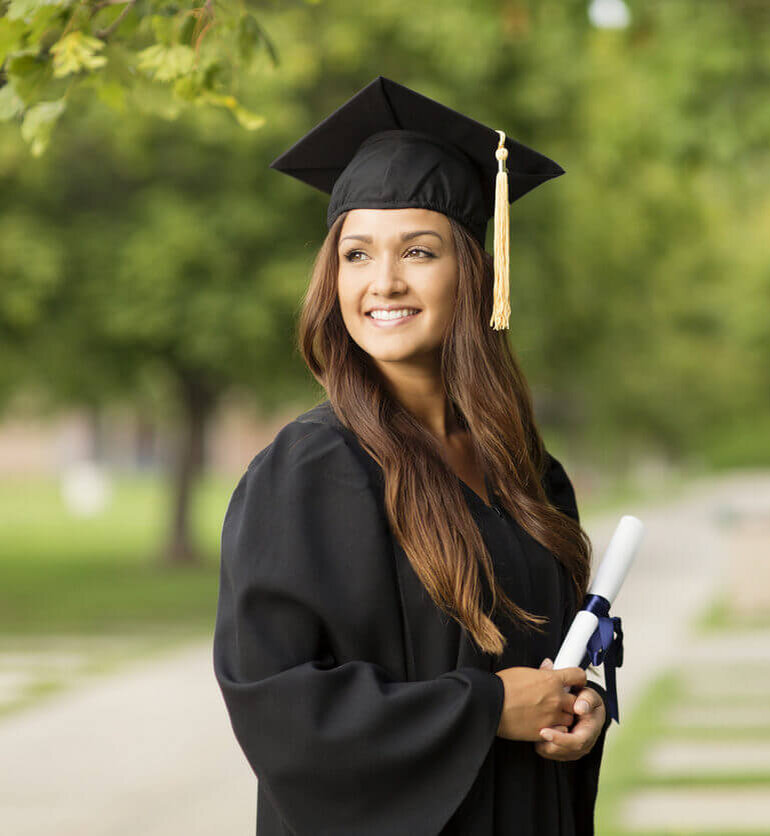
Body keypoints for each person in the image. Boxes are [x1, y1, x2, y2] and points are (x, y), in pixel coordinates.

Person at [213, 76, 613, 836]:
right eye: (356, 254)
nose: (383, 282)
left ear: (473, 270)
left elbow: (549, 664)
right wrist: (489, 709)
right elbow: (282, 709)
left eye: (418, 251)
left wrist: (577, 707)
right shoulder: (309, 471)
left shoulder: (526, 471)